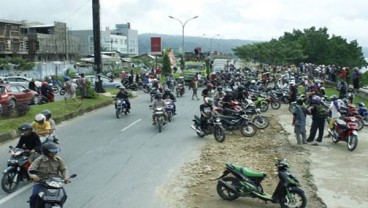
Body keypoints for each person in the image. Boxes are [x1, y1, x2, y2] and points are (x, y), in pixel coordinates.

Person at [28, 143, 69, 208]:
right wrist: (34, 176)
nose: (55, 153)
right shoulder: (39, 160)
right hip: (41, 182)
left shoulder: (58, 160)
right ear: (46, 152)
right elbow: (31, 169)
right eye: (52, 152)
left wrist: (65, 178)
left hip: (56, 182)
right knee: (34, 196)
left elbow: (64, 169)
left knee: (63, 195)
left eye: (56, 151)